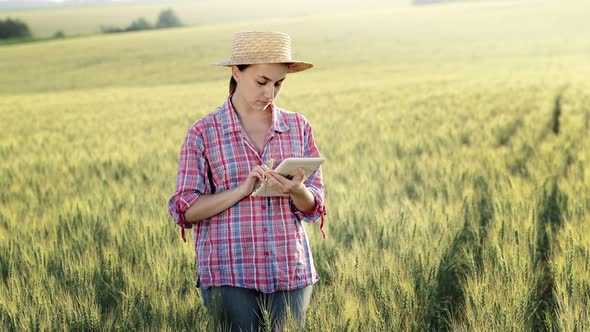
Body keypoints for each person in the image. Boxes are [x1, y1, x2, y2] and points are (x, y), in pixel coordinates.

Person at [167, 31, 327, 331]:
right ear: (236, 72)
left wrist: (297, 191)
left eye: (278, 84)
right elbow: (186, 209)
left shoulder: (298, 126)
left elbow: (314, 207)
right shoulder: (204, 133)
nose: (270, 94)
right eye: (262, 82)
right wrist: (242, 190)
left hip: (290, 271)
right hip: (229, 274)